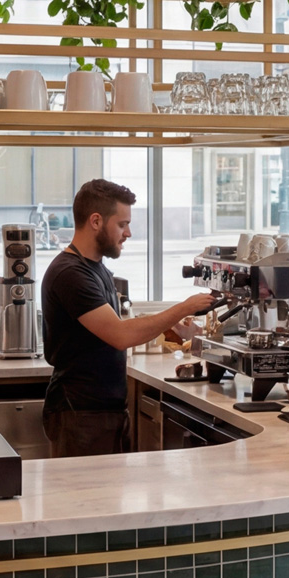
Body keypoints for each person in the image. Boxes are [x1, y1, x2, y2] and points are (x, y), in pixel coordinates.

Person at [42, 179, 217, 458]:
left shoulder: (96, 269)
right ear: (96, 221)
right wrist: (185, 307)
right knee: (88, 488)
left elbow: (107, 328)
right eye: (122, 224)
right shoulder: (71, 274)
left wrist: (172, 328)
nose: (128, 233)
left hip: (101, 410)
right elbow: (120, 335)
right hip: (80, 414)